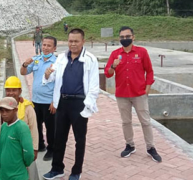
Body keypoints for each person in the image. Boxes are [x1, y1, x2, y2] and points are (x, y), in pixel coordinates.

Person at [42, 28, 100, 180]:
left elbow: (94, 87)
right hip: (62, 102)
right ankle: (57, 169)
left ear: (83, 41)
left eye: (76, 41)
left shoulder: (90, 59)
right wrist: (47, 74)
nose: (73, 44)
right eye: (70, 41)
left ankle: (76, 171)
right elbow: (52, 76)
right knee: (59, 137)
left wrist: (87, 105)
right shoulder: (61, 57)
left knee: (79, 139)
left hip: (79, 103)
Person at [104, 26, 162, 162]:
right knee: (126, 122)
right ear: (119, 39)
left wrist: (147, 88)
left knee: (145, 122)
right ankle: (129, 145)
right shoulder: (115, 54)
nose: (125, 39)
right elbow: (107, 73)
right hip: (122, 94)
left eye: (127, 36)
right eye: (122, 37)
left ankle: (150, 147)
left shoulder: (142, 52)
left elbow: (150, 71)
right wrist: (113, 65)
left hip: (139, 94)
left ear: (133, 37)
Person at [0, 76, 38, 177]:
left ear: (20, 91)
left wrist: (34, 148)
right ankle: (2, 169)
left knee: (21, 158)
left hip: (21, 139)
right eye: (8, 90)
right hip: (5, 137)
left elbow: (33, 128)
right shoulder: (2, 104)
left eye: (14, 90)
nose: (11, 93)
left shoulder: (27, 107)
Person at [20, 36, 57, 161]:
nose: (45, 48)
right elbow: (23, 72)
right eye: (44, 45)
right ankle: (40, 145)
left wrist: (55, 101)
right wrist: (24, 64)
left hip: (48, 102)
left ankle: (52, 149)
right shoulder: (36, 60)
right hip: (35, 100)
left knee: (51, 127)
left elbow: (59, 84)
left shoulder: (57, 63)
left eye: (49, 46)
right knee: (35, 125)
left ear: (54, 48)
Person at [0, 97, 35, 180]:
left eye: (7, 110)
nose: (4, 114)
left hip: (18, 176)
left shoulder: (22, 128)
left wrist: (22, 165)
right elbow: (1, 150)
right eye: (2, 111)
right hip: (4, 175)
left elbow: (29, 154)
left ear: (15, 110)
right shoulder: (4, 126)